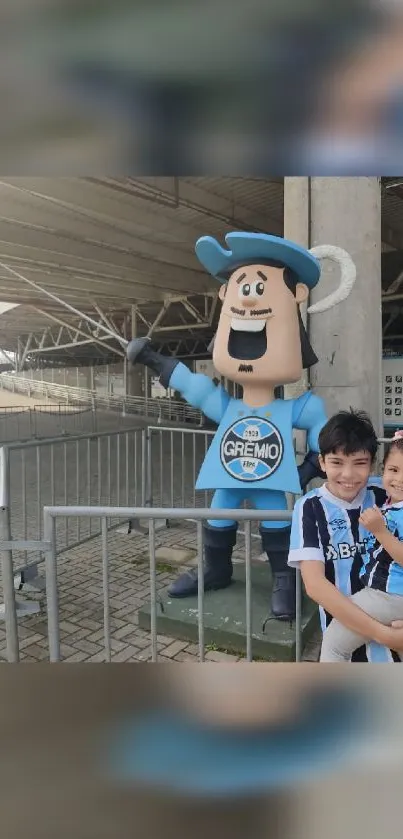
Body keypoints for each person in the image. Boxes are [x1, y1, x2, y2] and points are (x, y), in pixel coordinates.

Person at [126, 233, 356, 621]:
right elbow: (197, 389)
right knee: (219, 515)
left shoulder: (295, 408)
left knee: (274, 519)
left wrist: (308, 469)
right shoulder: (229, 405)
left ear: (295, 297)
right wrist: (153, 359)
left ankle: (284, 576)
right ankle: (216, 569)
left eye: (259, 289)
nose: (248, 298)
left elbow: (324, 437)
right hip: (229, 480)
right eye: (241, 289)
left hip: (270, 483)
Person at [288, 409, 403, 662]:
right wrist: (383, 634)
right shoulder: (310, 507)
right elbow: (315, 585)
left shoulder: (387, 493)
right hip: (348, 647)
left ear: (372, 463)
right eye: (337, 462)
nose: (348, 475)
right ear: (322, 463)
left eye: (359, 463)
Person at [320, 430, 403, 662]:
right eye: (393, 470)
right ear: (383, 469)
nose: (399, 479)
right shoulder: (387, 499)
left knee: (334, 644)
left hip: (387, 595)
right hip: (388, 595)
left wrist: (380, 531)